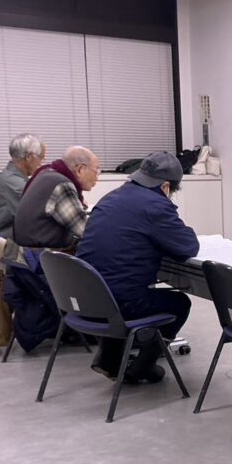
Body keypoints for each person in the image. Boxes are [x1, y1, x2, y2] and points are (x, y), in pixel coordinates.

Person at [77, 152, 199, 383]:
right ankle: (143, 366)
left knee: (119, 285)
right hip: (119, 302)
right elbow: (187, 247)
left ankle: (109, 359)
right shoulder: (156, 205)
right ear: (166, 187)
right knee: (179, 304)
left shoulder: (111, 197)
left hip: (86, 297)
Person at [14, 146, 98, 251]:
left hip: (27, 251)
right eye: (96, 171)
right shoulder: (62, 185)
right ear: (80, 169)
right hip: (41, 256)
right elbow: (86, 231)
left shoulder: (47, 173)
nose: (97, 178)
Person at [0, 133, 46, 237]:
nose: (41, 163)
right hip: (11, 240)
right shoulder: (15, 184)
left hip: (8, 234)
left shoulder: (9, 175)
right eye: (41, 158)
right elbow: (40, 214)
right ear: (29, 157)